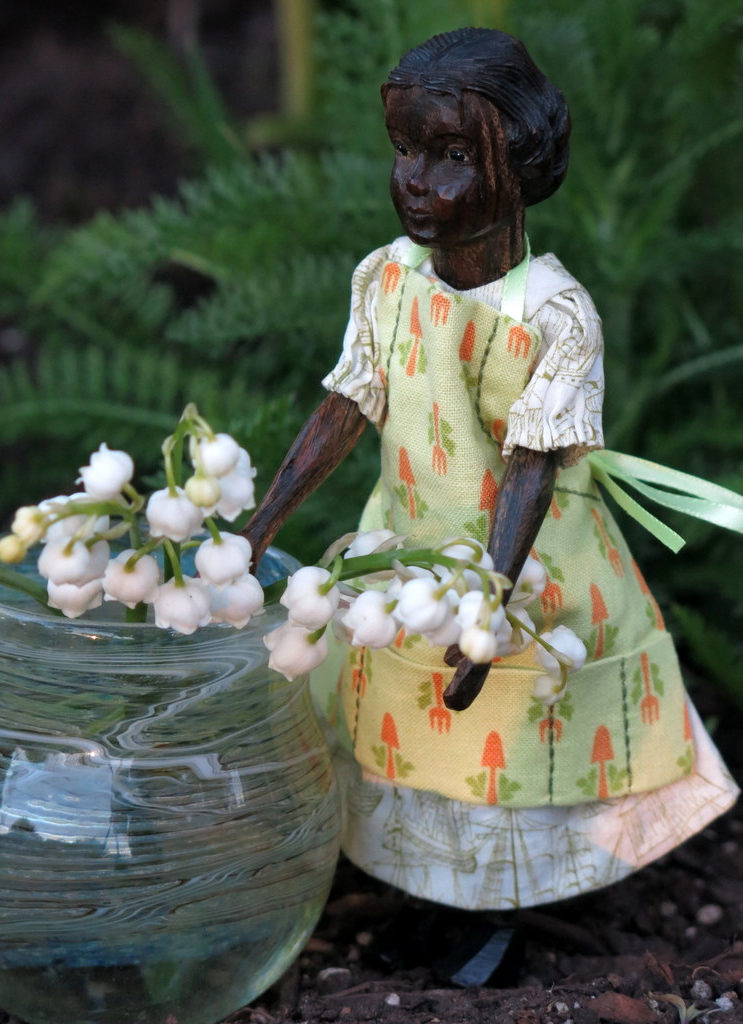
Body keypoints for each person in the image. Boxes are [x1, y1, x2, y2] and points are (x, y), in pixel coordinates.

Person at [244, 28, 737, 909]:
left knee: (511, 716)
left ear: (522, 164)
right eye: (404, 149)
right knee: (406, 709)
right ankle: (421, 885)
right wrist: (259, 528)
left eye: (452, 156)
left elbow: (531, 469)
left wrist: (490, 604)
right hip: (407, 545)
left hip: (525, 560)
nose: (416, 180)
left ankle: (499, 911)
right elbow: (346, 406)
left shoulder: (552, 316)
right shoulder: (386, 280)